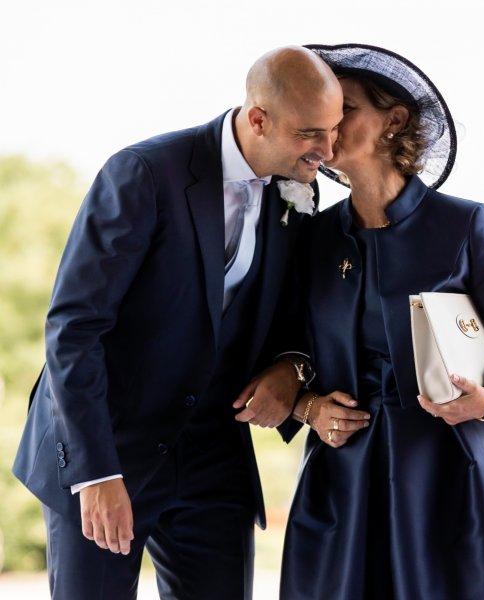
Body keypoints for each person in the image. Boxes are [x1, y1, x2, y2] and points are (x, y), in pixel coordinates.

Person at [12, 45, 343, 600]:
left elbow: (293, 314)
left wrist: (292, 366)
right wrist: (95, 474)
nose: (328, 150)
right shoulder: (145, 173)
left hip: (213, 457)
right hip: (109, 444)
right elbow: (74, 327)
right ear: (258, 120)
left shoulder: (299, 188)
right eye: (312, 133)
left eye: (333, 132)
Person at [278, 43, 484, 600]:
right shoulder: (310, 238)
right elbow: (284, 353)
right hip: (343, 480)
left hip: (451, 475)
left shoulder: (464, 224)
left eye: (347, 110)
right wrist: (307, 407)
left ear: (395, 121)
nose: (329, 126)